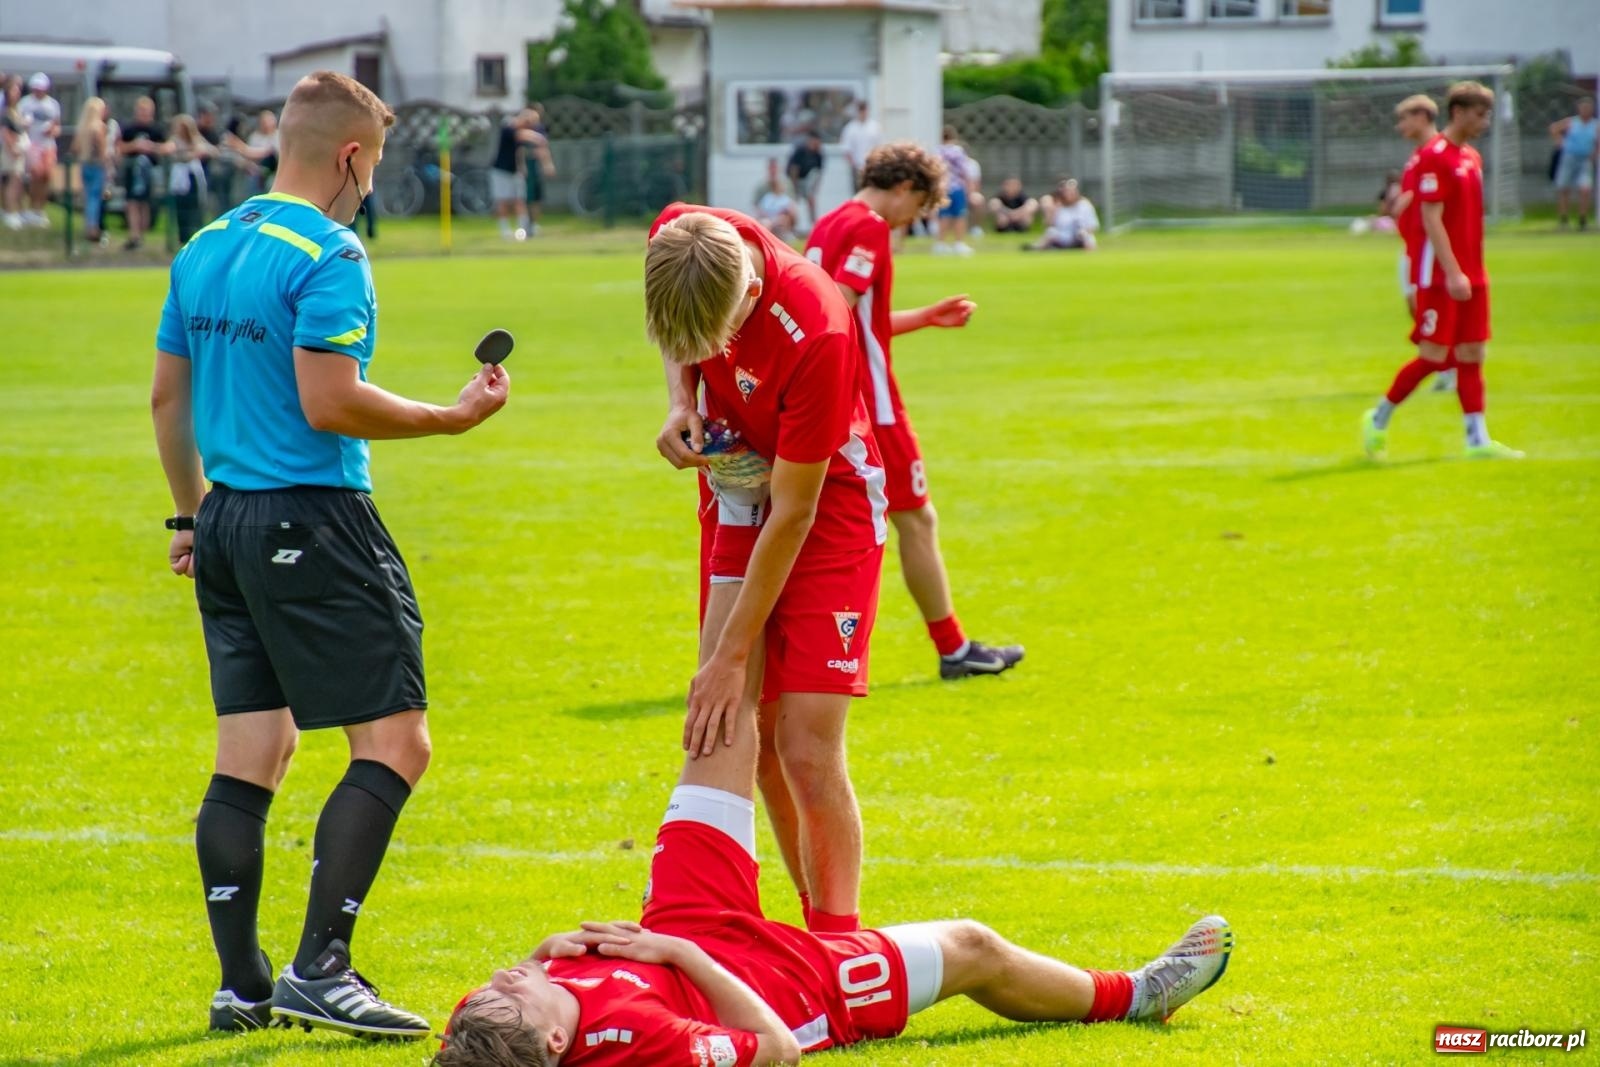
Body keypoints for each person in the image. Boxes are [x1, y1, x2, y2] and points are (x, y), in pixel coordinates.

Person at [151, 70, 511, 1041]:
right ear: (352, 156)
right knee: (396, 743)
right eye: (376, 165)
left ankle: (242, 984)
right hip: (310, 520)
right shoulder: (330, 250)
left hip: (224, 521)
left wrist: (189, 520)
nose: (371, 184)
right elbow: (329, 400)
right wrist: (448, 416)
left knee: (253, 752)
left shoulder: (206, 244)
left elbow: (166, 400)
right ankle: (323, 966)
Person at [432, 698, 1233, 1066]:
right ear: (557, 1043)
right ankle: (1136, 994)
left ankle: (737, 511)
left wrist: (552, 951)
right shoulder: (644, 1044)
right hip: (785, 986)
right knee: (974, 945)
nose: (506, 977)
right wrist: (681, 956)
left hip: (684, 914)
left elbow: (511, 995)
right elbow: (776, 1051)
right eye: (516, 992)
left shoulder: (478, 1031)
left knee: (721, 711)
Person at [647, 205, 887, 934]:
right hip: (736, 486)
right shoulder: (678, 237)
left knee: (806, 747)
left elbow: (795, 512)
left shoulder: (816, 326)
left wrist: (731, 653)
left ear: (749, 297)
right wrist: (681, 402)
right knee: (746, 740)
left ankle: (840, 951)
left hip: (824, 509)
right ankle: (810, 930)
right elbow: (677, 339)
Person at [807, 142, 1024, 682]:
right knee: (915, 520)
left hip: (838, 397)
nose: (912, 223)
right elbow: (836, 304)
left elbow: (854, 317)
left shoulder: (827, 223)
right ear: (904, 187)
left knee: (813, 525)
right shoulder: (870, 227)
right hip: (872, 405)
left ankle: (780, 649)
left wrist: (926, 317)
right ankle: (953, 650)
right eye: (920, 209)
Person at [1361, 81, 1521, 461]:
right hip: (1440, 275)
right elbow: (1431, 218)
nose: (1485, 122)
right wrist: (1452, 273)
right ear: (1458, 112)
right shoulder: (1434, 156)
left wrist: (1470, 271)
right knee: (1433, 355)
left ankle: (1476, 438)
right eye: (1480, 114)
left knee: (1472, 353)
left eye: (1487, 114)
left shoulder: (1471, 158)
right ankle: (1378, 417)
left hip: (1473, 272)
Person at [1387, 94, 1455, 394]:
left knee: (1428, 310)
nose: (1400, 125)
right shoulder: (1418, 155)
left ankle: (1449, 366)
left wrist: (1408, 199)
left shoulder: (1437, 153)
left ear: (1422, 117)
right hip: (1412, 246)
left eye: (1404, 118)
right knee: (1416, 309)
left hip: (1429, 250)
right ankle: (1445, 364)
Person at [118, 97, 168, 250]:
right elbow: (120, 147)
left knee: (145, 203)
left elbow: (166, 148)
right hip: (132, 171)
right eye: (141, 110)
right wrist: (135, 146)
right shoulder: (129, 130)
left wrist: (151, 147)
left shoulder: (157, 130)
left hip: (150, 172)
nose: (144, 114)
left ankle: (143, 235)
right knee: (132, 202)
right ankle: (134, 235)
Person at [491, 109, 543, 240]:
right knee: (503, 201)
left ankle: (523, 231)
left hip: (515, 172)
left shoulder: (519, 133)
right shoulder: (508, 128)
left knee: (520, 201)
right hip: (501, 171)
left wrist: (522, 167)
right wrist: (539, 137)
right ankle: (505, 231)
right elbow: (521, 135)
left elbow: (519, 151)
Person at [70, 97, 115, 244]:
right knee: (95, 198)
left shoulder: (82, 127)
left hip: (85, 164)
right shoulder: (98, 127)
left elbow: (75, 148)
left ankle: (88, 226)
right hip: (96, 166)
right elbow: (103, 152)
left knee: (88, 197)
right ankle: (93, 229)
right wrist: (107, 167)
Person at [18, 72, 60, 227]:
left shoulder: (53, 104)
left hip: (48, 144)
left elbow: (56, 124)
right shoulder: (25, 103)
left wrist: (53, 131)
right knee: (35, 174)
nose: (38, 91)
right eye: (36, 88)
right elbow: (19, 122)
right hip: (31, 143)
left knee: (46, 176)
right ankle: (30, 208)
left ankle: (40, 209)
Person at [167, 113, 216, 245]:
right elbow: (170, 150)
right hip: (180, 179)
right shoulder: (175, 140)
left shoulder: (197, 139)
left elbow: (210, 150)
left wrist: (196, 152)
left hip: (193, 177)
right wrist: (190, 154)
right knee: (181, 208)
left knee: (195, 207)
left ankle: (197, 235)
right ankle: (183, 238)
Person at [1550, 96, 1596, 230]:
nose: (1585, 110)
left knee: (1585, 189)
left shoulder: (1595, 125)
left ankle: (1582, 219)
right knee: (1563, 187)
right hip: (1569, 157)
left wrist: (1595, 153)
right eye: (1583, 108)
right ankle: (1563, 219)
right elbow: (1554, 128)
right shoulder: (1572, 122)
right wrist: (1560, 142)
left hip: (1585, 159)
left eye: (1588, 108)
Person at [1027, 178, 1099, 251]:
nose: (1069, 194)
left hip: (1081, 235)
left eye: (1071, 192)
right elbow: (1050, 224)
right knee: (1051, 232)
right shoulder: (1060, 207)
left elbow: (1093, 226)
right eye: (1067, 192)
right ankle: (1037, 248)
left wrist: (1083, 232)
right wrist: (1051, 211)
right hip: (1064, 237)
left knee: (1086, 236)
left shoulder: (1084, 205)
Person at [934, 127, 973, 255]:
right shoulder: (957, 151)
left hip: (943, 188)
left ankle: (940, 243)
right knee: (959, 215)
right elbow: (965, 170)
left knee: (944, 216)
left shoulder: (937, 151)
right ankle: (959, 243)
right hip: (956, 187)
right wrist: (970, 187)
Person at [520, 106, 554, 238]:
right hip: (523, 169)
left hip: (535, 168)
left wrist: (547, 164)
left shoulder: (539, 130)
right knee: (522, 198)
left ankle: (533, 224)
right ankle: (524, 224)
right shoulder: (520, 130)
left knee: (536, 198)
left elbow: (542, 147)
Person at [1, 75, 30, 230]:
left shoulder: (16, 111)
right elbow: (5, 132)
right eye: (14, 90)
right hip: (11, 151)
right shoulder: (6, 112)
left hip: (19, 150)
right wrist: (13, 149)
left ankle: (14, 210)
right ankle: (9, 212)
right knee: (12, 181)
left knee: (17, 181)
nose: (17, 92)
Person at [786, 132, 824, 232]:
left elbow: (818, 174)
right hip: (794, 179)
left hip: (807, 180)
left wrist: (813, 191)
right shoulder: (801, 151)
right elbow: (794, 170)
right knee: (793, 203)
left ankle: (814, 226)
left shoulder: (818, 155)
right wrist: (795, 189)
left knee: (811, 201)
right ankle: (793, 227)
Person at [839, 100, 880, 190]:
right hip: (856, 166)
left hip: (871, 166)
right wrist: (853, 165)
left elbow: (879, 147)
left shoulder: (874, 127)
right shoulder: (850, 128)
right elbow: (847, 150)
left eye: (864, 110)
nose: (863, 113)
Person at [753, 158, 797, 238]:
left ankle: (787, 236)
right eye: (771, 168)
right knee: (766, 223)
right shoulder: (765, 194)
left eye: (775, 168)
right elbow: (758, 207)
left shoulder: (786, 187)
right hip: (767, 218)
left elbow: (791, 205)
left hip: (782, 216)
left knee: (783, 220)